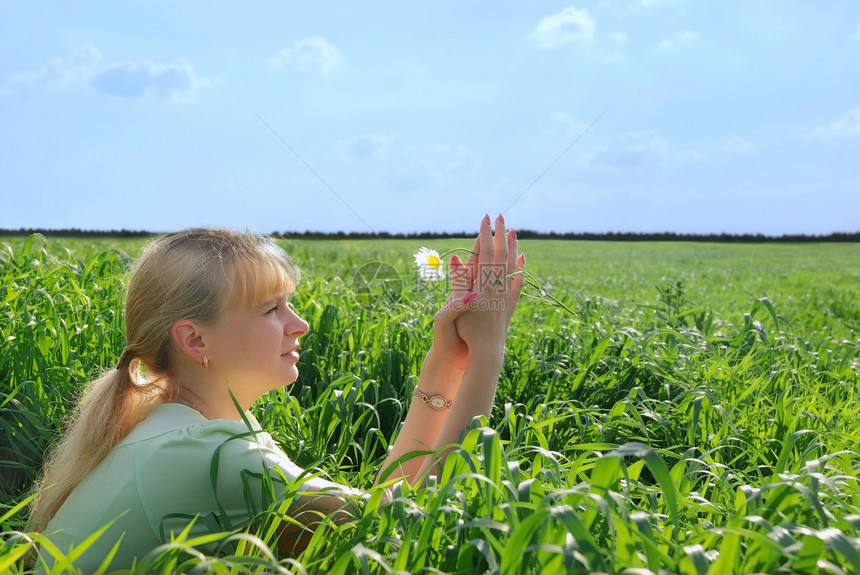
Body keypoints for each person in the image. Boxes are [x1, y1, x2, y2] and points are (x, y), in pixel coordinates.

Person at [27, 213, 524, 571]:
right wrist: (489, 351)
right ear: (195, 339)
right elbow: (409, 527)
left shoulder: (175, 425)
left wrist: (448, 362)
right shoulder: (211, 455)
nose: (300, 325)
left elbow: (380, 509)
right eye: (271, 310)